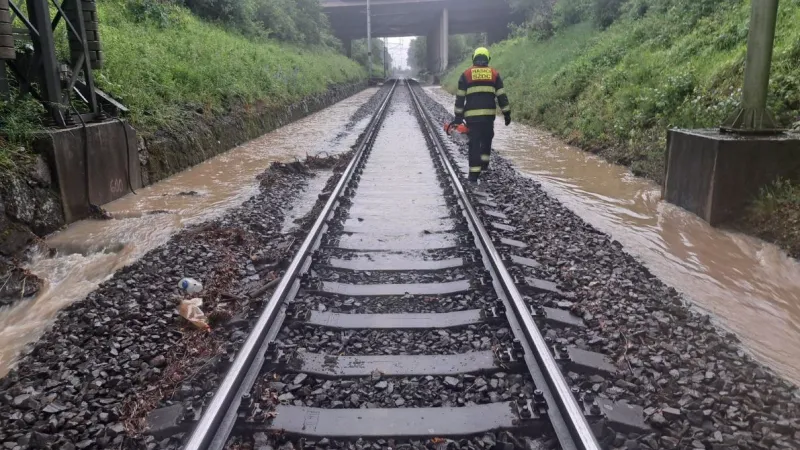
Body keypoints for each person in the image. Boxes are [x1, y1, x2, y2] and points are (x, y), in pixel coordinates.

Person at [448, 47, 511, 183]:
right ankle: (484, 166)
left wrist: (458, 118)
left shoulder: (466, 75)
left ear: (473, 58)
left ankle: (473, 175)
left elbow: (460, 99)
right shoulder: (494, 74)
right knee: (487, 140)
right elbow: (502, 96)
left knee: (474, 143)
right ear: (487, 59)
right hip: (488, 118)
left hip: (472, 118)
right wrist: (507, 114)